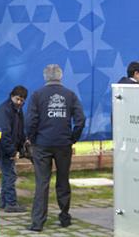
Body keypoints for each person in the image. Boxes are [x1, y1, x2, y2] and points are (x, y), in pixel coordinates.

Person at [25, 64, 86, 232]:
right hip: (63, 144)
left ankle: (37, 223)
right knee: (63, 181)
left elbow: (31, 121)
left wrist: (32, 138)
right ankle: (65, 218)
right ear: (60, 76)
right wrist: (73, 138)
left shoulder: (37, 95)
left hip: (42, 145)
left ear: (45, 77)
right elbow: (80, 119)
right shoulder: (70, 95)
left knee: (42, 183)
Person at [0, 85, 28, 213]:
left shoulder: (17, 110)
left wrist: (22, 144)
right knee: (10, 175)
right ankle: (11, 204)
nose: (19, 102)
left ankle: (4, 202)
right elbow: (3, 134)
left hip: (6, 148)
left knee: (8, 175)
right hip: (3, 149)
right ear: (12, 96)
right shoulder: (5, 110)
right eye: (17, 99)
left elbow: (20, 130)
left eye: (22, 101)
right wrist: (12, 151)